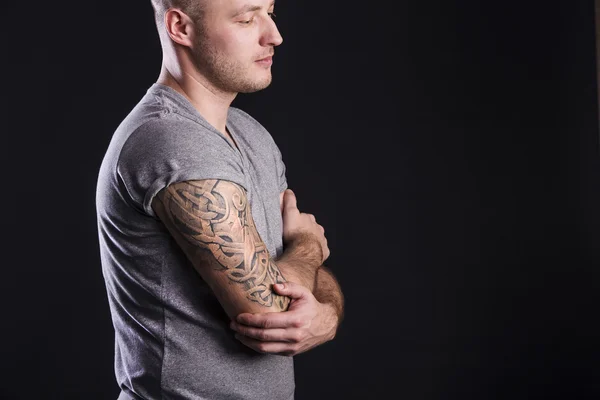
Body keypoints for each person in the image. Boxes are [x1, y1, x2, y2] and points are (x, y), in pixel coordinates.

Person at [95, 0, 345, 398]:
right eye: (247, 19)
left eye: (270, 12)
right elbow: (271, 310)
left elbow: (293, 280)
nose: (274, 36)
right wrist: (310, 246)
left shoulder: (251, 134)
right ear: (181, 27)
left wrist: (328, 312)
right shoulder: (171, 141)